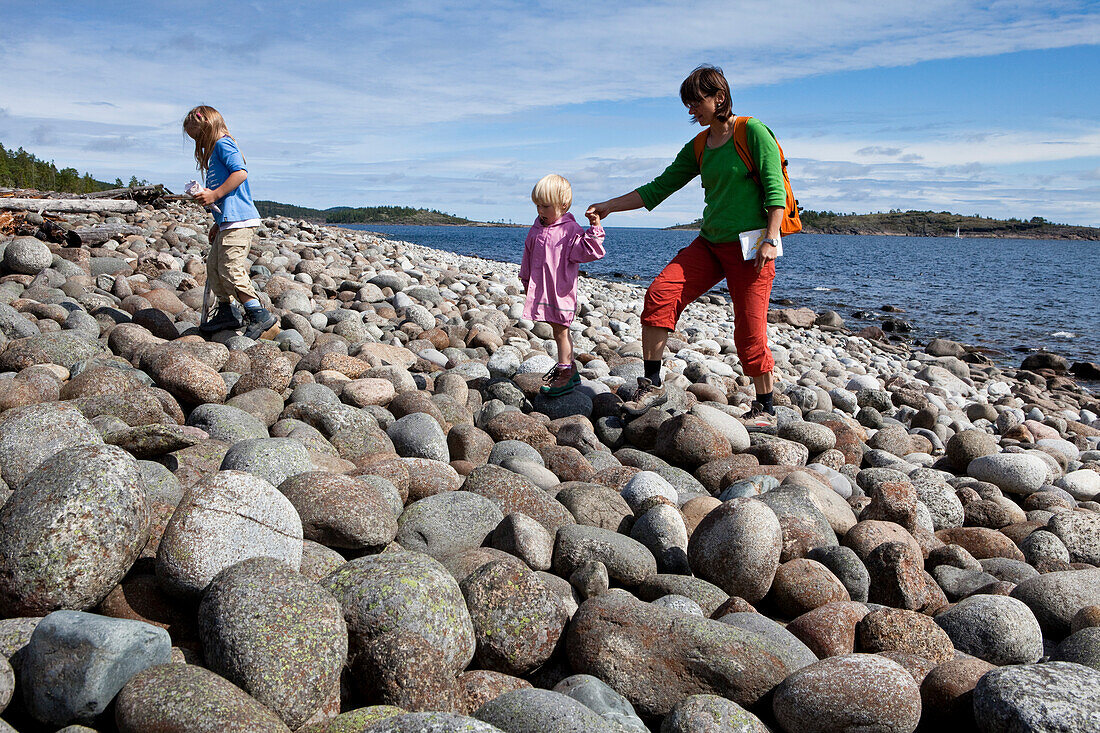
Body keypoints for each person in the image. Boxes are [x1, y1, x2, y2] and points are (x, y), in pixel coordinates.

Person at [586, 64, 786, 424]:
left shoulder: (751, 131)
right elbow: (659, 188)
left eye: (696, 102)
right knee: (661, 292)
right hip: (710, 244)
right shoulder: (699, 145)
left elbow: (775, 188)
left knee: (749, 328)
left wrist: (771, 238)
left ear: (719, 97)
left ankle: (766, 408)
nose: (690, 110)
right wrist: (609, 205)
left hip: (753, 246)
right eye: (688, 104)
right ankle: (652, 383)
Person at [183, 105, 277, 340]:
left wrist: (213, 194)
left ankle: (258, 313)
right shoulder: (215, 150)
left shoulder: (223, 144)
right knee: (214, 267)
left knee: (230, 268)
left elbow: (241, 173)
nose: (200, 144)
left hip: (241, 219)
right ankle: (226, 310)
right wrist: (218, 221)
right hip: (228, 221)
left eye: (199, 137)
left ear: (207, 127)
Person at [520, 174, 606, 397]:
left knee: (561, 331)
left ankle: (566, 373)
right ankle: (571, 369)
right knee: (556, 328)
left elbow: (589, 250)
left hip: (560, 291)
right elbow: (528, 252)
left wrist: (595, 226)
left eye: (545, 206)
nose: (540, 210)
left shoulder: (569, 230)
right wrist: (526, 277)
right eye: (537, 205)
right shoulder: (538, 227)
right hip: (542, 288)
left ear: (563, 205)